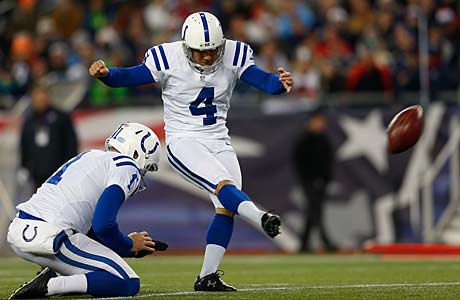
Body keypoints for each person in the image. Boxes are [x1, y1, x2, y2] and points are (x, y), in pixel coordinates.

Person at [89, 11, 293, 291]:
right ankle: (261, 217)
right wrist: (106, 74)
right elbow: (127, 77)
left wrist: (280, 84)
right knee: (225, 187)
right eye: (200, 52)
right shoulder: (167, 58)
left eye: (212, 51)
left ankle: (207, 277)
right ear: (186, 47)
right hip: (183, 140)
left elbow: (265, 81)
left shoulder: (233, 53)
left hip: (219, 139)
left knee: (226, 208)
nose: (208, 57)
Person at [7, 122, 166, 299]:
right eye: (146, 167)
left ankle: (55, 274)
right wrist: (128, 244)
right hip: (53, 235)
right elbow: (103, 225)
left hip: (21, 229)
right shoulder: (126, 166)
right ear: (137, 153)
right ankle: (49, 285)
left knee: (100, 267)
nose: (142, 173)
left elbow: (90, 233)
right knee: (127, 282)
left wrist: (128, 248)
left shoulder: (89, 156)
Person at [19, 83, 79, 191]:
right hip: (37, 173)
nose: (40, 101)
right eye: (36, 98)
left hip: (58, 171)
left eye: (42, 97)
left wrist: (70, 164)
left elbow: (71, 142)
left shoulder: (61, 117)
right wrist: (23, 166)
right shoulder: (29, 121)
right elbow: (24, 145)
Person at [293, 110, 337, 252]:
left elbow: (329, 161)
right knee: (315, 210)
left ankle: (304, 244)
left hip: (321, 181)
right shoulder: (304, 140)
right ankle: (326, 241)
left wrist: (326, 179)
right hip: (309, 181)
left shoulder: (324, 140)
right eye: (317, 121)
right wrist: (306, 179)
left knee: (314, 211)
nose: (320, 124)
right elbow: (298, 162)